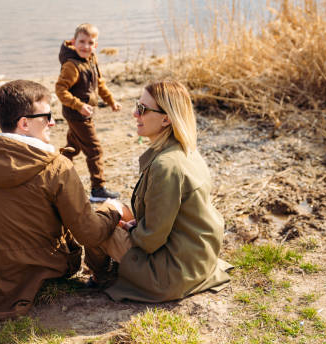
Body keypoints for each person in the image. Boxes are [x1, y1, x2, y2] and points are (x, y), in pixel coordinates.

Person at [0, 79, 124, 320]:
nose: (52, 122)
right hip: (47, 266)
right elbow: (88, 234)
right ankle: (101, 274)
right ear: (24, 123)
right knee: (100, 211)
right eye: (47, 116)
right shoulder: (58, 167)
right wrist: (113, 210)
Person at [86, 80, 232, 302]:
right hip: (198, 257)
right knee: (115, 208)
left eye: (143, 109)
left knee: (95, 227)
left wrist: (130, 230)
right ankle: (112, 268)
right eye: (137, 105)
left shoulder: (166, 166)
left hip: (174, 273)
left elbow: (150, 241)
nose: (135, 113)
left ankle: (103, 277)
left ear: (166, 119)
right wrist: (133, 224)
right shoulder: (186, 149)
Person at [55, 23, 122, 202]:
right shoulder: (71, 66)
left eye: (90, 42)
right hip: (77, 114)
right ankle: (97, 189)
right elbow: (61, 90)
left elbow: (99, 83)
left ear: (96, 45)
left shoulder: (91, 59)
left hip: (83, 113)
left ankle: (55, 173)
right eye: (81, 42)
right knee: (94, 150)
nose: (85, 46)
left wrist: (111, 101)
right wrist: (79, 106)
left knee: (73, 146)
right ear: (73, 42)